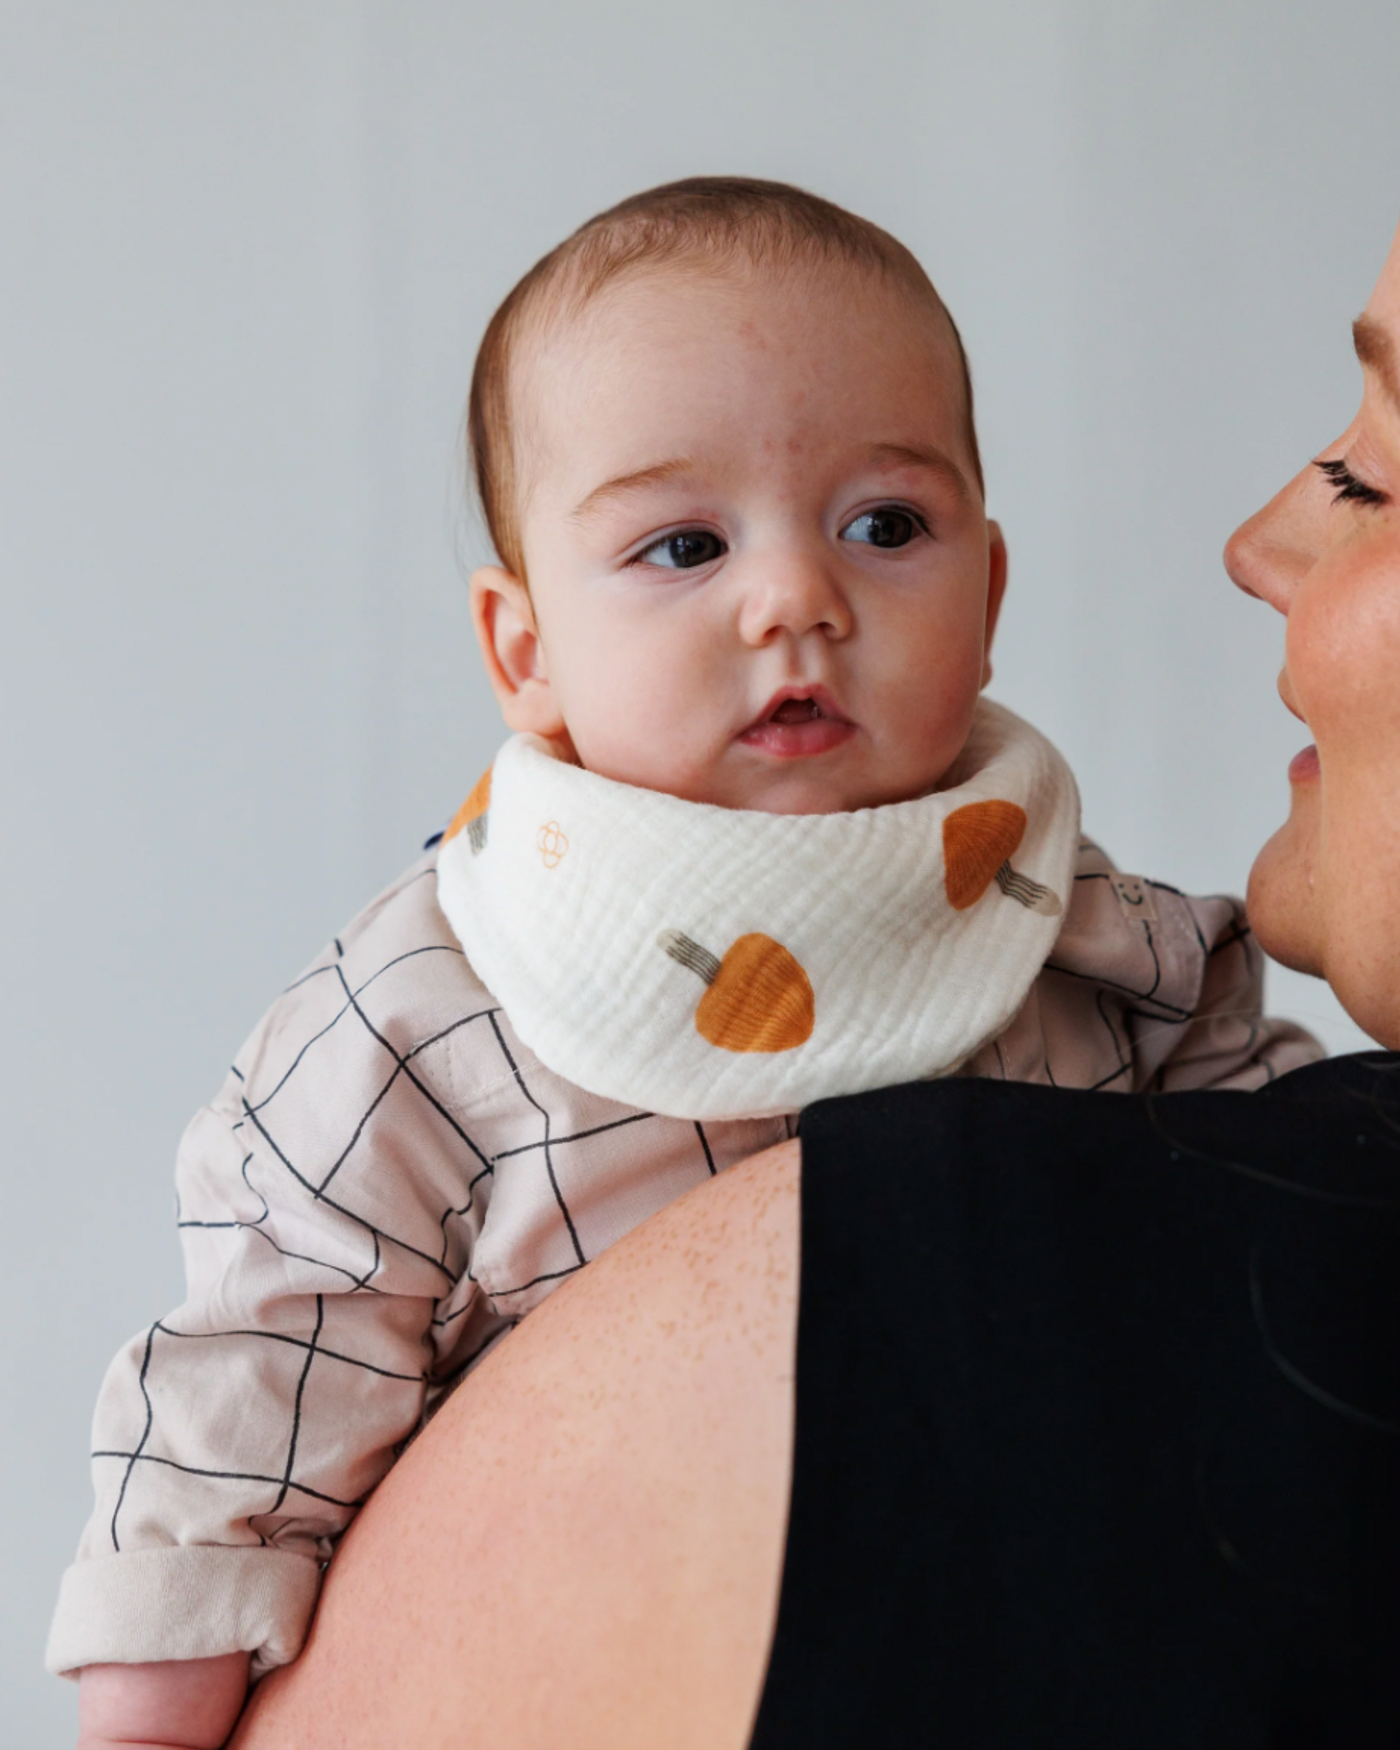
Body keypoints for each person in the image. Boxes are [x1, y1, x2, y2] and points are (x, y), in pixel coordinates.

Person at [59, 178, 1315, 1749]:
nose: (795, 597)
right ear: (524, 651)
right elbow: (270, 1349)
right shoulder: (434, 1001)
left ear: (990, 597)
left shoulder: (1060, 917)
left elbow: (1281, 1180)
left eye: (886, 525)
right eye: (681, 544)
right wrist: (161, 1676)